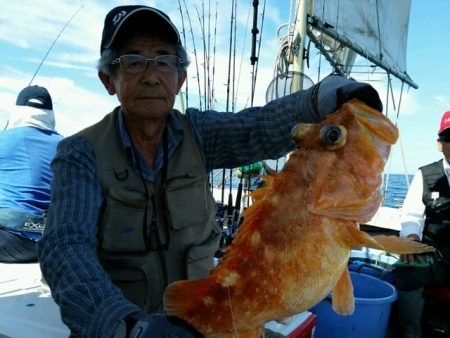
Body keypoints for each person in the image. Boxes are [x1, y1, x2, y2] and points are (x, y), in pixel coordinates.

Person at [37, 5, 383, 338]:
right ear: (107, 79)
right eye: (132, 61)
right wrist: (123, 324)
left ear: (180, 78)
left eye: (164, 60)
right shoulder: (79, 153)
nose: (150, 75)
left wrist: (319, 99)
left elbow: (257, 127)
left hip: (209, 318)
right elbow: (64, 247)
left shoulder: (199, 134)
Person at [393, 110, 450, 338]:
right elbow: (412, 217)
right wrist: (411, 240)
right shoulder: (425, 175)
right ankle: (411, 333)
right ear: (440, 143)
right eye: (449, 137)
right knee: (406, 272)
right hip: (433, 254)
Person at [0, 85, 62, 262]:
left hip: (7, 240)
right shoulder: (67, 146)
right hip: (46, 244)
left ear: (17, 111)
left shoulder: (3, 139)